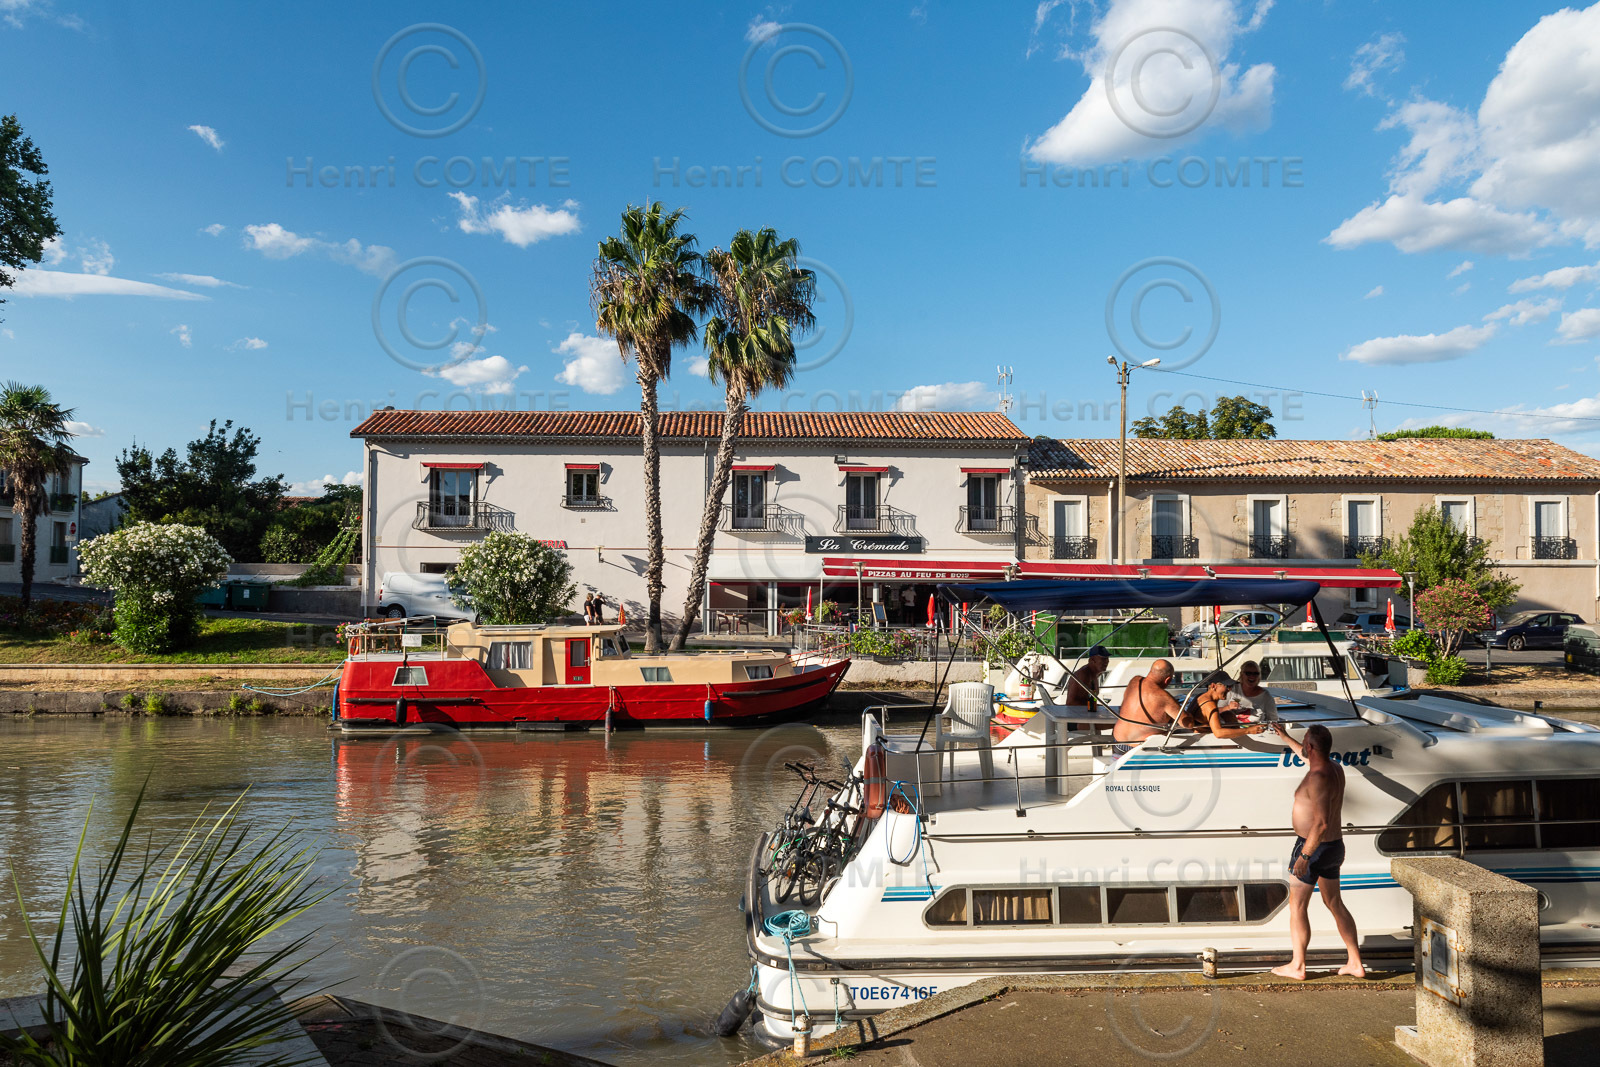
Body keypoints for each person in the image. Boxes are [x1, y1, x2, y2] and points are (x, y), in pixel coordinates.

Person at [1270, 723, 1365, 981]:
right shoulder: (1334, 768)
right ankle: (1355, 962)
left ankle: (1298, 966)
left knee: (1297, 906)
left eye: (1304, 742)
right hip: (1334, 847)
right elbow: (1306, 755)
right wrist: (1284, 736)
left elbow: (1320, 823)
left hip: (1313, 847)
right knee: (1334, 903)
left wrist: (1304, 856)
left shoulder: (1317, 777)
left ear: (1311, 746)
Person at [1112, 659, 1181, 755]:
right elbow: (1187, 723)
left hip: (1118, 743)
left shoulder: (1135, 681)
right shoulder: (1165, 698)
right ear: (1167, 680)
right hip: (1140, 749)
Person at [1185, 670, 1267, 742]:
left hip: (1196, 735)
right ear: (1213, 686)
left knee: (1228, 714)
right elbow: (1218, 733)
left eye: (1231, 686)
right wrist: (1248, 730)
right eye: (1227, 686)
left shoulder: (1199, 696)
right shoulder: (1209, 705)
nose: (1229, 689)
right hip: (1204, 740)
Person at [1064, 644, 1111, 709]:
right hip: (1077, 715)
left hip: (1086, 713)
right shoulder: (1084, 674)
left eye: (1107, 658)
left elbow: (1091, 700)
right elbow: (1071, 703)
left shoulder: (1094, 674)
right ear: (1092, 660)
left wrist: (1096, 706)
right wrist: (1096, 707)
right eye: (1103, 659)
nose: (1106, 661)